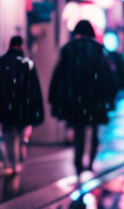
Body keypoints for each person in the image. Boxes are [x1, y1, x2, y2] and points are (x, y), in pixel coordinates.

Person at [48, 20, 117, 175]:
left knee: (78, 129)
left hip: (75, 97)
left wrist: (54, 97)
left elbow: (59, 74)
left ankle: (78, 163)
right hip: (95, 97)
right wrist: (109, 97)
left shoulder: (68, 49)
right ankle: (91, 162)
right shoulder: (99, 50)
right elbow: (107, 75)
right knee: (94, 130)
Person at [0, 35, 44, 175]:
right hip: (22, 107)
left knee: (8, 134)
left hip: (6, 106)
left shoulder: (2, 62)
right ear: (22, 46)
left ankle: (10, 163)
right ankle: (18, 159)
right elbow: (34, 89)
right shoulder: (28, 64)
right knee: (20, 133)